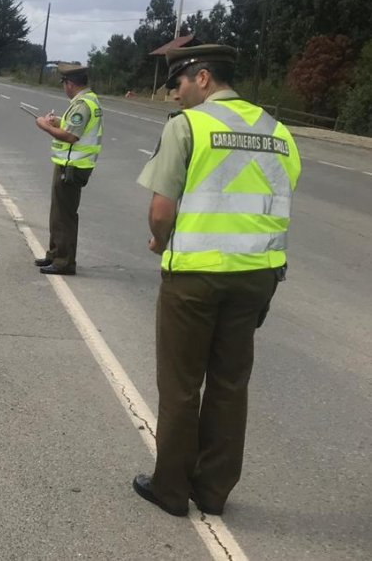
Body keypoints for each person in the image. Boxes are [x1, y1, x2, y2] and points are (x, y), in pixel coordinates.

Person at [132, 44, 302, 517]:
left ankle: (170, 488)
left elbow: (161, 210)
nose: (177, 95)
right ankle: (212, 490)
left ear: (202, 78)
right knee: (230, 384)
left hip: (196, 277)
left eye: (180, 84)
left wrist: (159, 241)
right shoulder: (279, 132)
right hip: (258, 276)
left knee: (181, 384)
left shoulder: (190, 126)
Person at [33, 63, 104, 275]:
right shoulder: (85, 101)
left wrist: (44, 125)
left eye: (64, 83)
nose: (64, 88)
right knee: (58, 213)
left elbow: (71, 136)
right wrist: (58, 121)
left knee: (64, 216)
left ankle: (64, 261)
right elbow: (72, 126)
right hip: (69, 165)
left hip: (73, 167)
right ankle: (55, 254)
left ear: (71, 84)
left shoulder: (83, 104)